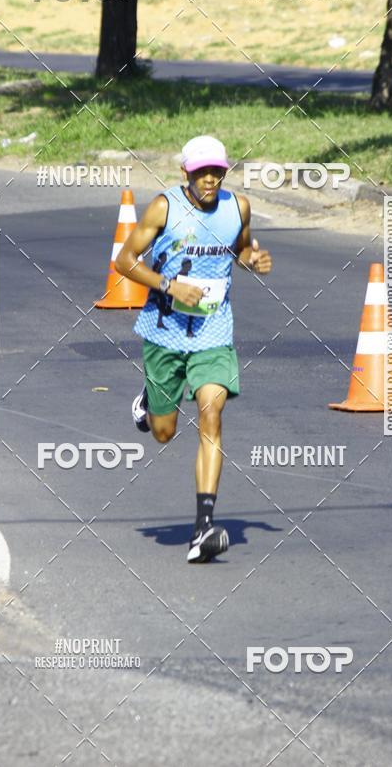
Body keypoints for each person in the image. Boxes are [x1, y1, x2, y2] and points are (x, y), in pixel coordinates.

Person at [115, 135, 272, 563]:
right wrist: (168, 285)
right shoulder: (163, 208)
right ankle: (148, 401)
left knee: (211, 415)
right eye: (202, 172)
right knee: (164, 433)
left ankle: (203, 527)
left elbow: (240, 248)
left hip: (213, 333)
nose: (210, 179)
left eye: (217, 171)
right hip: (164, 332)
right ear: (186, 173)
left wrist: (252, 261)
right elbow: (125, 260)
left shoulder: (238, 207)